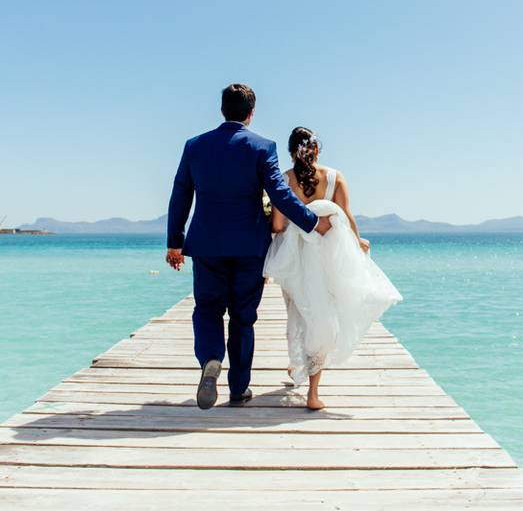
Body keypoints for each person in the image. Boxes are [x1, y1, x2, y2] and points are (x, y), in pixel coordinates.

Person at [166, 84, 332, 410]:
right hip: (249, 246)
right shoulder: (261, 147)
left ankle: (211, 360)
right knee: (243, 318)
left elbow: (180, 194)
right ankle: (238, 389)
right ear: (251, 113)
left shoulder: (195, 146)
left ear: (222, 109)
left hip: (207, 244)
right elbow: (281, 194)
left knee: (208, 309)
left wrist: (175, 242)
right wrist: (314, 223)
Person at [265, 126, 403, 409]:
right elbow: (346, 217)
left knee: (299, 313)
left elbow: (278, 226)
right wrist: (357, 241)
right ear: (316, 150)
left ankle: (297, 363)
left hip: (294, 259)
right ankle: (313, 393)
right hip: (326, 255)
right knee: (322, 315)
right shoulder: (335, 178)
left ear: (292, 152)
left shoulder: (284, 179)